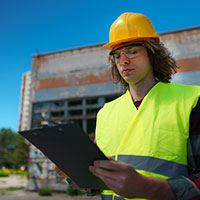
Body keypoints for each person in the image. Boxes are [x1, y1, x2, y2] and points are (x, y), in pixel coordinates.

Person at [56, 12, 200, 200]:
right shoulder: (106, 113)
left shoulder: (191, 100)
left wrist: (149, 188)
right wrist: (74, 174)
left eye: (132, 51)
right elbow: (100, 183)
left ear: (153, 53)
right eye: (116, 55)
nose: (123, 61)